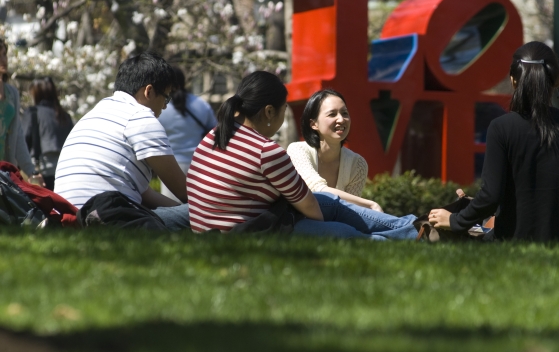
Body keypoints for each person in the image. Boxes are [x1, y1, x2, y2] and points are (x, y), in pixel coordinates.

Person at [186, 71, 418, 240]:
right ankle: (412, 234)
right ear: (269, 111)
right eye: (284, 109)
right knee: (347, 233)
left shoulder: (215, 135)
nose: (341, 120)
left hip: (221, 230)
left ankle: (414, 228)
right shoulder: (267, 151)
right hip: (249, 234)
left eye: (345, 113)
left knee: (332, 203)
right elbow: (311, 206)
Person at [428, 41, 559, 242]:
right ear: (557, 81)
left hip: (516, 238)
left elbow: (490, 196)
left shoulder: (501, 128)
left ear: (513, 80)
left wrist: (456, 220)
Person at [54, 52, 190, 231]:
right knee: (214, 216)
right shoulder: (141, 118)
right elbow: (184, 192)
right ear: (148, 91)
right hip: (111, 216)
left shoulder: (96, 113)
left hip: (69, 215)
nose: (165, 106)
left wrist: (178, 210)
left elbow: (144, 193)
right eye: (166, 98)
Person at [287, 89, 382, 211]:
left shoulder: (357, 164)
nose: (341, 119)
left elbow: (351, 211)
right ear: (314, 124)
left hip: (338, 224)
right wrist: (370, 205)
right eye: (332, 114)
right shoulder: (297, 150)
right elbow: (317, 189)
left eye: (345, 113)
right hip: (301, 223)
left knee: (403, 224)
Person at [157, 66, 216, 201]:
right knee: (196, 208)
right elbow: (214, 131)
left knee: (172, 210)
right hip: (198, 164)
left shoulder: (160, 107)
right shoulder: (201, 104)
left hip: (169, 165)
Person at [0, 38, 45, 186]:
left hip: (5, 172)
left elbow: (18, 136)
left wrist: (31, 171)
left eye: (5, 54)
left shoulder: (12, 93)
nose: (3, 59)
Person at [22, 77, 74, 191]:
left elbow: (22, 141)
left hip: (42, 174)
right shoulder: (64, 116)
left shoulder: (33, 113)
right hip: (67, 172)